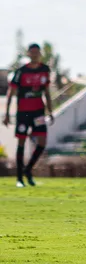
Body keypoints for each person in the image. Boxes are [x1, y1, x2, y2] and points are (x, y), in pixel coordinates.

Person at [2, 43, 53, 188]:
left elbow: (47, 93)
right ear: (28, 54)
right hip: (23, 113)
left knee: (42, 143)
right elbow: (10, 93)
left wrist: (50, 110)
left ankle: (28, 169)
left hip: (39, 112)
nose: (35, 54)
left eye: (37, 52)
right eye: (32, 52)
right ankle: (19, 178)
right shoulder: (21, 71)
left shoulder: (45, 70)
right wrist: (6, 114)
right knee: (21, 143)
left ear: (40, 53)